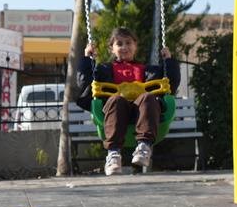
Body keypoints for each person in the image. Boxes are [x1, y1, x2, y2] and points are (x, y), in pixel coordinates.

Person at [75, 26, 180, 175]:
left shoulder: (149, 71)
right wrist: (87, 59)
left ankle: (144, 146)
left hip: (142, 112)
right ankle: (113, 153)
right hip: (115, 112)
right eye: (119, 43)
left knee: (148, 97)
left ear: (135, 46)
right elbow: (84, 83)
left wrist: (168, 60)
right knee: (117, 99)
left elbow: (171, 83)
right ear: (112, 48)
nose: (124, 47)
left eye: (128, 43)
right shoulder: (103, 70)